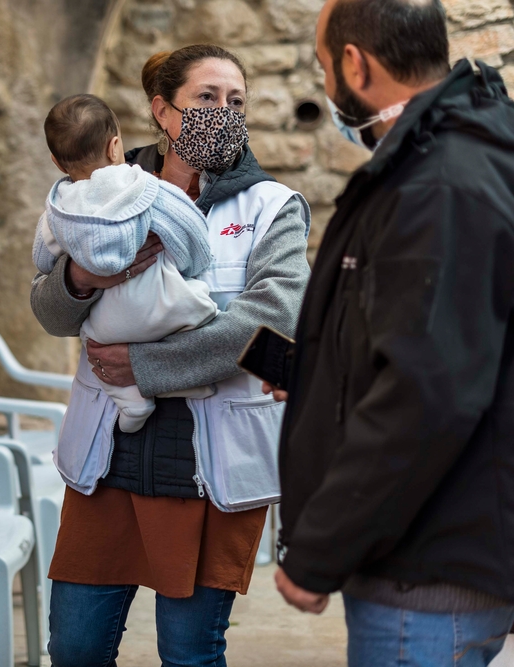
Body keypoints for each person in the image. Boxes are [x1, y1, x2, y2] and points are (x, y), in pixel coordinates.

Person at [31, 45, 311, 667]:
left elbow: (273, 322)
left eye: (236, 101)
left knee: (188, 652)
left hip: (211, 462)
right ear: (163, 111)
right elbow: (48, 313)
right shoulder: (98, 191)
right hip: (109, 456)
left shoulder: (272, 207)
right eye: (207, 98)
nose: (224, 113)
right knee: (75, 648)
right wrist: (82, 277)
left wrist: (148, 367)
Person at [271, 1, 514, 665]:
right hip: (435, 559)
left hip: (424, 576)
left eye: (325, 67)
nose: (326, 87)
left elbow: (425, 394)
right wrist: (312, 375)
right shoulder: (450, 155)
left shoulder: (439, 182)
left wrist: (319, 549)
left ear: (356, 63)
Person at [35, 93, 218, 491]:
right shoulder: (143, 186)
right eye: (206, 97)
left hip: (108, 323)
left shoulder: (60, 206)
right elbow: (190, 236)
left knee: (96, 338)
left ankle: (132, 403)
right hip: (160, 304)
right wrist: (191, 268)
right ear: (116, 145)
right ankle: (189, 380)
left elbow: (43, 259)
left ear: (56, 162)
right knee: (198, 306)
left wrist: (71, 272)